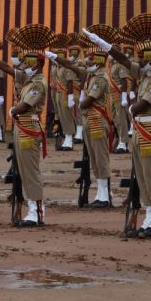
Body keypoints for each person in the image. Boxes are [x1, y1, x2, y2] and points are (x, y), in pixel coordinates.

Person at [84, 14, 151, 238]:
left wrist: (130, 109)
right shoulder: (146, 73)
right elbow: (125, 61)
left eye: (143, 57)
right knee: (141, 176)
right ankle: (149, 218)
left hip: (149, 129)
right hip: (140, 131)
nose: (139, 60)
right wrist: (103, 44)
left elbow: (144, 104)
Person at [0, 24, 55, 227]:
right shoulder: (27, 77)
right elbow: (7, 69)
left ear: (36, 63)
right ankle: (30, 207)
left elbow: (26, 104)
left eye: (28, 60)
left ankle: (36, 210)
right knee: (22, 172)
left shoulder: (38, 82)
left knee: (30, 171)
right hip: (20, 128)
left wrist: (13, 110)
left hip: (29, 128)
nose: (23, 63)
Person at [46, 32, 114, 208]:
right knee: (93, 158)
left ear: (98, 62)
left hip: (98, 121)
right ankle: (100, 192)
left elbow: (88, 101)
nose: (88, 63)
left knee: (101, 158)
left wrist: (80, 100)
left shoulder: (101, 79)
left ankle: (105, 195)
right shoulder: (92, 75)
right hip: (90, 122)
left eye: (91, 61)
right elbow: (73, 67)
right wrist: (55, 58)